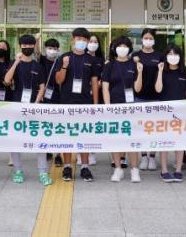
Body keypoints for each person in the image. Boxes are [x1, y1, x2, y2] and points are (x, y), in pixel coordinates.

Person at [3, 34, 52, 186]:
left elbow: (42, 87)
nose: (28, 48)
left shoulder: (38, 66)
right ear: (20, 46)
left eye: (30, 45)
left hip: (34, 108)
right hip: (17, 107)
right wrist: (16, 62)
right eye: (25, 45)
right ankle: (18, 170)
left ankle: (43, 172)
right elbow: (7, 80)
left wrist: (35, 104)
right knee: (16, 140)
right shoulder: (14, 63)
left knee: (39, 140)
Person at [54, 27, 99, 182]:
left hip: (85, 103)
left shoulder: (91, 60)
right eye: (78, 38)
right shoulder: (64, 57)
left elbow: (94, 83)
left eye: (84, 39)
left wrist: (95, 104)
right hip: (66, 102)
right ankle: (67, 166)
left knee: (84, 135)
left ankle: (85, 166)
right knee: (68, 135)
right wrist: (65, 65)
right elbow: (58, 80)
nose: (81, 42)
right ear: (73, 40)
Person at [155, 44, 186, 182]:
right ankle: (164, 170)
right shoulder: (162, 71)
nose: (173, 57)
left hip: (181, 112)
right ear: (166, 56)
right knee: (164, 141)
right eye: (170, 54)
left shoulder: (185, 72)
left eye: (175, 54)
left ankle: (178, 169)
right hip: (164, 112)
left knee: (179, 141)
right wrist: (160, 71)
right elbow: (158, 89)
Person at [102, 36, 143, 183]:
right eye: (120, 46)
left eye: (125, 46)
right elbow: (105, 87)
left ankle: (134, 169)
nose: (122, 48)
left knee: (131, 138)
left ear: (129, 48)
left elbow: (137, 88)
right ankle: (118, 168)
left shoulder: (134, 64)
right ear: (114, 48)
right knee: (115, 138)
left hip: (130, 107)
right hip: (114, 106)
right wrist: (107, 107)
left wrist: (140, 72)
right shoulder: (109, 65)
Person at [132, 28, 164, 171]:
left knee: (154, 129)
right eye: (146, 38)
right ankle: (144, 156)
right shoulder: (136, 56)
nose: (148, 40)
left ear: (154, 40)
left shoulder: (160, 56)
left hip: (156, 97)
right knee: (141, 129)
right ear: (142, 39)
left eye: (150, 38)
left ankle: (152, 157)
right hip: (139, 97)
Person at [39, 37, 64, 167]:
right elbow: (36, 51)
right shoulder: (42, 60)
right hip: (44, 96)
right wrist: (37, 39)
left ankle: (58, 154)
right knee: (46, 125)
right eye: (49, 48)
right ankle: (47, 149)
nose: (52, 51)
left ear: (58, 50)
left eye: (54, 48)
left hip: (57, 96)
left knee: (57, 125)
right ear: (45, 49)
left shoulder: (60, 62)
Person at [85, 34, 104, 166]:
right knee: (84, 125)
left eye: (95, 41)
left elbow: (103, 75)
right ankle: (81, 153)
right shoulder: (82, 57)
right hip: (83, 95)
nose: (92, 43)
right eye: (90, 41)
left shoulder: (100, 59)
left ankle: (91, 152)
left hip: (97, 95)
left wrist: (98, 84)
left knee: (93, 125)